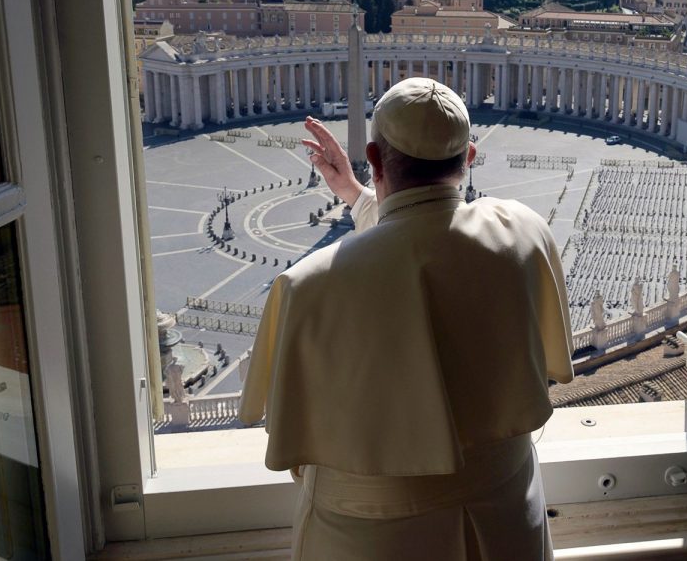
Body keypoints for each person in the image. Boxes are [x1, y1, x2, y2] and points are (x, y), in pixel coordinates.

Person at [238, 77, 574, 561]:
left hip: (367, 538)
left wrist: (361, 191)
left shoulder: (305, 286)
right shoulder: (524, 230)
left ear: (374, 158)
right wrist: (355, 195)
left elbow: (403, 243)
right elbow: (431, 233)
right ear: (470, 157)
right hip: (507, 517)